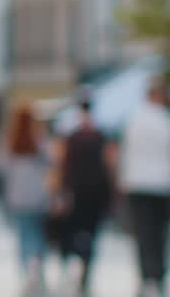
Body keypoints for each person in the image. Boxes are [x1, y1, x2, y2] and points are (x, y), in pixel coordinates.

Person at [120, 77, 170, 297]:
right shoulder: (164, 120)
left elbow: (126, 153)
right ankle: (157, 274)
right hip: (161, 184)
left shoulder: (135, 120)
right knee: (159, 232)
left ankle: (145, 274)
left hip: (138, 183)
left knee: (143, 231)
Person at [60, 99, 115, 296]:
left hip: (82, 192)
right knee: (88, 234)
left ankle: (82, 266)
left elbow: (65, 167)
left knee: (81, 233)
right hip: (92, 192)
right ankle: (84, 267)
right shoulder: (98, 136)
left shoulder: (75, 137)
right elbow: (108, 165)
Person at [0, 104, 51, 288]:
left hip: (17, 196)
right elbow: (49, 163)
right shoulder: (39, 140)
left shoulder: (10, 142)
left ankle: (26, 271)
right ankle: (37, 267)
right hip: (37, 195)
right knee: (37, 233)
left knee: (23, 235)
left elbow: (1, 167)